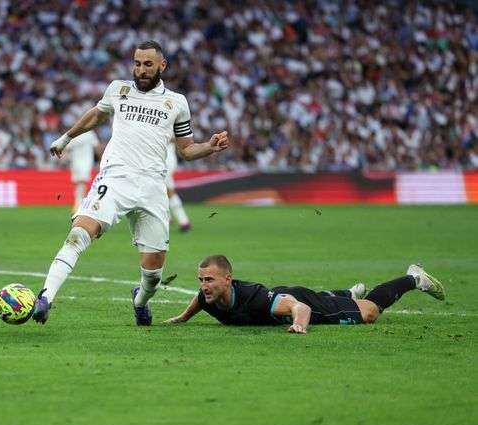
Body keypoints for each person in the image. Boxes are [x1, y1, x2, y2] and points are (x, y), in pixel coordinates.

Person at [32, 40, 229, 326]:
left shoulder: (177, 102)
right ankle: (46, 298)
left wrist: (209, 147)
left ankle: (140, 300)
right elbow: (96, 115)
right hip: (115, 178)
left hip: (152, 188)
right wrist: (66, 138)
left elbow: (186, 150)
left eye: (148, 64)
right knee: (78, 234)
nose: (141, 69)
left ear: (162, 65)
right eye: (137, 63)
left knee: (153, 276)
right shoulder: (118, 89)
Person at [163, 254, 445, 333]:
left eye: (209, 279)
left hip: (300, 303)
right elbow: (199, 301)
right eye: (201, 279)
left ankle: (414, 277)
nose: (203, 286)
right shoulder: (209, 296)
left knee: (369, 312)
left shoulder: (257, 300)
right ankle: (345, 293)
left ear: (228, 279)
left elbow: (303, 309)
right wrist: (182, 318)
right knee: (311, 298)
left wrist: (298, 324)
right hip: (289, 296)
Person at [65, 130, 102, 212]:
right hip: (75, 161)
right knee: (78, 182)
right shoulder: (75, 132)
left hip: (86, 160)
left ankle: (79, 203)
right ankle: (78, 203)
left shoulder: (90, 134)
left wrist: (100, 160)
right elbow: (67, 147)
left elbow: (97, 146)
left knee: (82, 181)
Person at [166, 138, 191, 232]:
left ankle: (182, 221)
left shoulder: (171, 123)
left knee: (165, 190)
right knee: (167, 190)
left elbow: (177, 137)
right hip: (164, 159)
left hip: (165, 159)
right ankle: (181, 220)